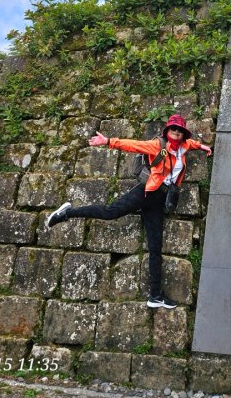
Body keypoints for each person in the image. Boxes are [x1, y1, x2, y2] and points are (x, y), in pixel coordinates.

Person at [47, 114, 212, 309]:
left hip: (159, 201)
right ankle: (66, 213)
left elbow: (191, 144)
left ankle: (155, 296)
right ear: (167, 130)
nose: (176, 133)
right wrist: (107, 141)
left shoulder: (183, 147)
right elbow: (132, 145)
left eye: (180, 131)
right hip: (145, 192)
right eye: (173, 129)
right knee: (110, 212)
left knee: (156, 248)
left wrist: (202, 147)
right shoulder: (157, 145)